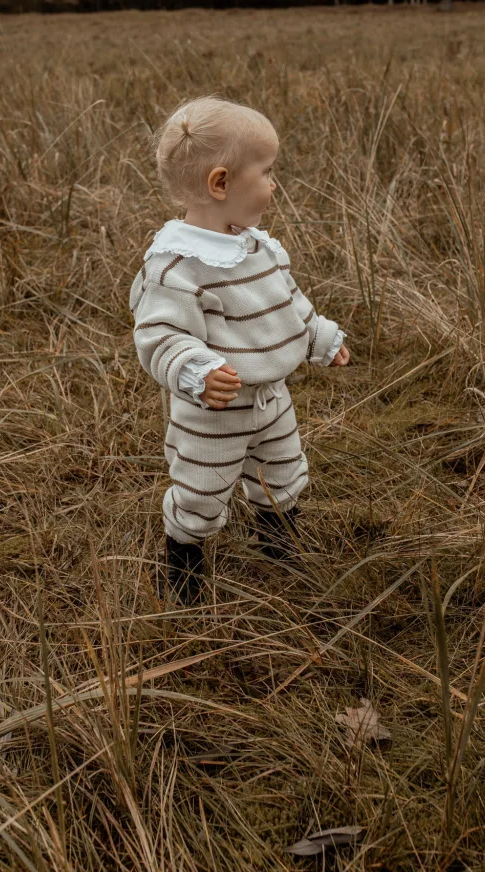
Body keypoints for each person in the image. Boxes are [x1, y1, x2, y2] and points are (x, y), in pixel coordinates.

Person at [129, 95, 351, 604]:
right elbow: (159, 335)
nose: (274, 186)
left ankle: (278, 546)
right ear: (221, 183)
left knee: (284, 472)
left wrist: (319, 338)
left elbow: (288, 304)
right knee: (202, 492)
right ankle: (183, 570)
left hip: (271, 400)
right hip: (214, 412)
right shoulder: (177, 267)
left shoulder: (256, 248)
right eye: (267, 173)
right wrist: (196, 369)